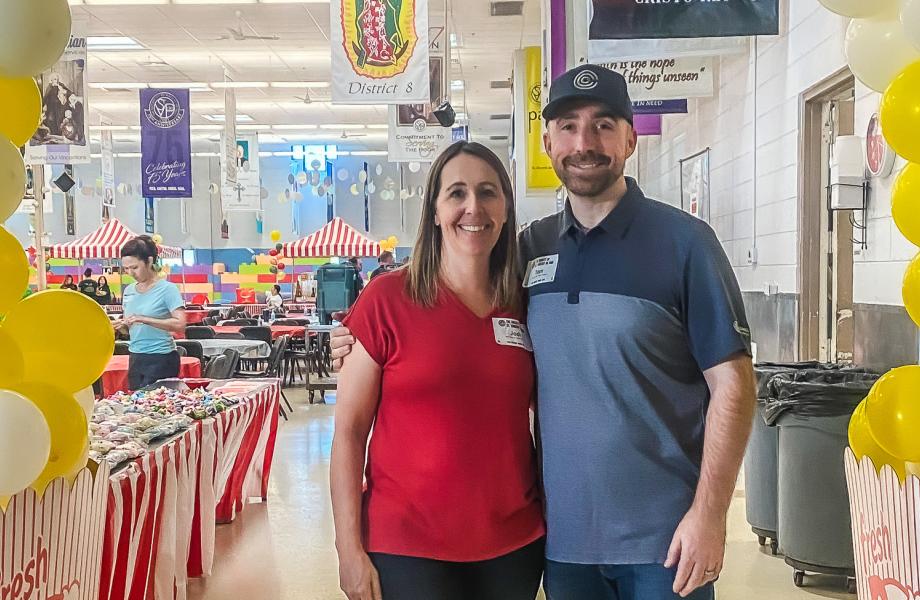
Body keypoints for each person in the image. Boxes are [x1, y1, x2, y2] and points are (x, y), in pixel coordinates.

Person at [331, 64, 755, 600]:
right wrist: (352, 341)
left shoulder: (685, 243)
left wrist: (710, 515)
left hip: (665, 544)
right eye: (568, 126)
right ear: (548, 142)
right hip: (563, 547)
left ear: (630, 139)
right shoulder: (528, 255)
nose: (584, 143)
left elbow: (734, 385)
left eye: (603, 125)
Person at [331, 141, 545, 600]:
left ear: (506, 209)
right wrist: (348, 548)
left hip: (513, 545)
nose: (473, 208)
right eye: (457, 193)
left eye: (488, 192)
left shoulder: (526, 304)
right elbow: (349, 432)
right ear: (434, 211)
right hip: (407, 547)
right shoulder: (387, 299)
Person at [115, 235, 187, 391]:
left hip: (161, 358)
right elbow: (130, 329)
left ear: (149, 261)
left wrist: (144, 319)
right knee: (136, 402)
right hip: (136, 357)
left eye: (135, 267)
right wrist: (121, 326)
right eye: (126, 268)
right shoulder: (129, 291)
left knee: (157, 402)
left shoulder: (167, 289)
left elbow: (180, 324)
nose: (130, 273)